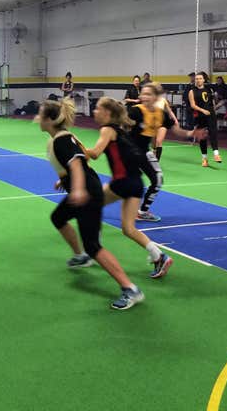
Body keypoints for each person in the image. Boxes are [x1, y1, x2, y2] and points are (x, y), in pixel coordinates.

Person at [38, 98, 144, 310]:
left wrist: (76, 189)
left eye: (41, 115)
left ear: (50, 119)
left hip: (87, 193)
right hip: (85, 188)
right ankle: (81, 256)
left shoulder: (61, 140)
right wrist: (65, 180)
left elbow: (77, 164)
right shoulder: (63, 138)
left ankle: (129, 288)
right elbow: (79, 162)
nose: (38, 119)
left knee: (94, 245)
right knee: (58, 217)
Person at [86, 97, 173, 278]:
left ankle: (93, 251)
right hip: (135, 183)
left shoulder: (107, 130)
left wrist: (73, 144)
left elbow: (94, 154)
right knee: (128, 228)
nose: (94, 112)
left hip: (122, 183)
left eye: (97, 109)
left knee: (91, 205)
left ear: (107, 113)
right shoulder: (121, 130)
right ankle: (160, 256)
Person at [130, 83, 204, 221]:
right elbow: (121, 126)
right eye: (142, 94)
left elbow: (176, 131)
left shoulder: (161, 114)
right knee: (128, 186)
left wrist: (191, 133)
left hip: (144, 151)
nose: (143, 97)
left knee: (157, 180)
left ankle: (142, 212)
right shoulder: (134, 111)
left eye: (147, 94)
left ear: (156, 98)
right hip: (130, 152)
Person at [189, 71, 222, 167]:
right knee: (202, 137)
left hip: (210, 114)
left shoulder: (209, 89)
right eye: (196, 79)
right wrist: (203, 111)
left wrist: (215, 100)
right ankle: (204, 158)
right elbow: (193, 105)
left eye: (200, 78)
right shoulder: (192, 91)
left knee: (213, 133)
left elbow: (213, 102)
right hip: (200, 116)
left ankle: (216, 154)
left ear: (203, 80)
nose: (198, 80)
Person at [151, 83, 181, 162]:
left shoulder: (163, 100)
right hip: (152, 123)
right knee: (153, 142)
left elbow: (170, 111)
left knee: (159, 141)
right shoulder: (149, 99)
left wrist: (175, 120)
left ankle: (157, 161)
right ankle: (154, 150)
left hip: (163, 122)